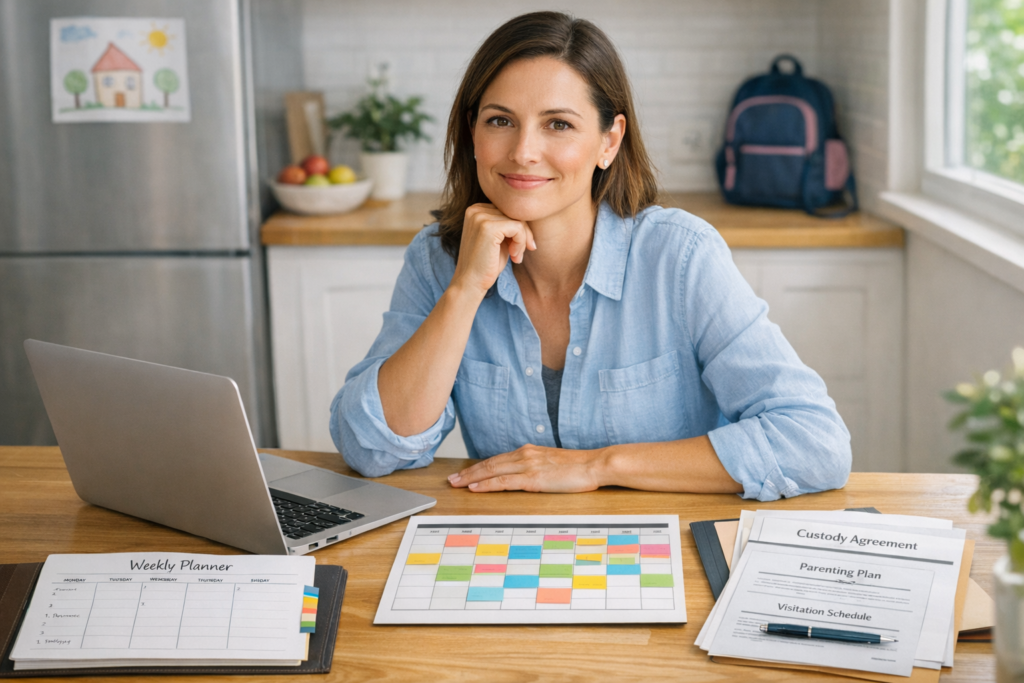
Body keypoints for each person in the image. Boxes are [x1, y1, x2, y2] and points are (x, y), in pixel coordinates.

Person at [330, 11, 851, 501]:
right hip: (510, 556)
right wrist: (465, 291)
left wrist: (597, 466)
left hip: (664, 557)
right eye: (499, 120)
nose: (523, 151)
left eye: (558, 124)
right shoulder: (438, 260)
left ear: (609, 141)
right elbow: (370, 448)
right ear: (472, 134)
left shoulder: (680, 257)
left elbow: (814, 443)